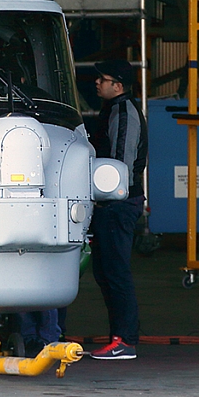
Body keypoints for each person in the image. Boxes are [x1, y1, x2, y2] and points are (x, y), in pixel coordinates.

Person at [88, 60, 147, 361]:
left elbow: (119, 166)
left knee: (116, 272)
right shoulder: (113, 110)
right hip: (111, 205)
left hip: (118, 205)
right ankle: (118, 337)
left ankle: (124, 339)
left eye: (103, 78)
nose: (97, 82)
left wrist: (104, 197)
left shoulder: (124, 113)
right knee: (106, 272)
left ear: (118, 86)